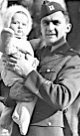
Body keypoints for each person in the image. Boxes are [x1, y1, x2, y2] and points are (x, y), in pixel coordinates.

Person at [1, 1, 80, 136]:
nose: (50, 28)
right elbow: (4, 82)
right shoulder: (29, 49)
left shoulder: (74, 61)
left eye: (56, 23)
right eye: (45, 23)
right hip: (15, 129)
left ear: (67, 27)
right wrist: (10, 94)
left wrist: (28, 72)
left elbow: (62, 98)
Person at [0, 5, 39, 135]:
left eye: (23, 24)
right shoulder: (14, 41)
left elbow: (30, 57)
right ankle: (22, 120)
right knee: (26, 98)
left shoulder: (27, 42)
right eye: (15, 23)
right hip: (14, 74)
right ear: (7, 23)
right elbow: (8, 51)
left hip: (20, 75)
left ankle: (6, 121)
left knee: (16, 102)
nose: (19, 27)